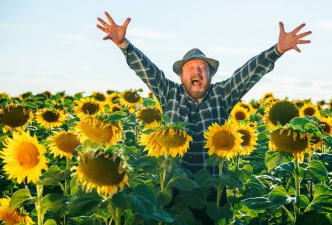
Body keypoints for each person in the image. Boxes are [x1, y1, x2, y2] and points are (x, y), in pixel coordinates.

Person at [96, 12, 311, 223]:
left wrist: (277, 51)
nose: (197, 71)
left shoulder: (222, 94)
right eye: (190, 68)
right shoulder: (169, 93)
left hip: (213, 190)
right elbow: (148, 71)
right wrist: (124, 45)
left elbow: (248, 73)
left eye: (202, 68)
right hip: (172, 186)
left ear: (210, 76)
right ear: (181, 76)